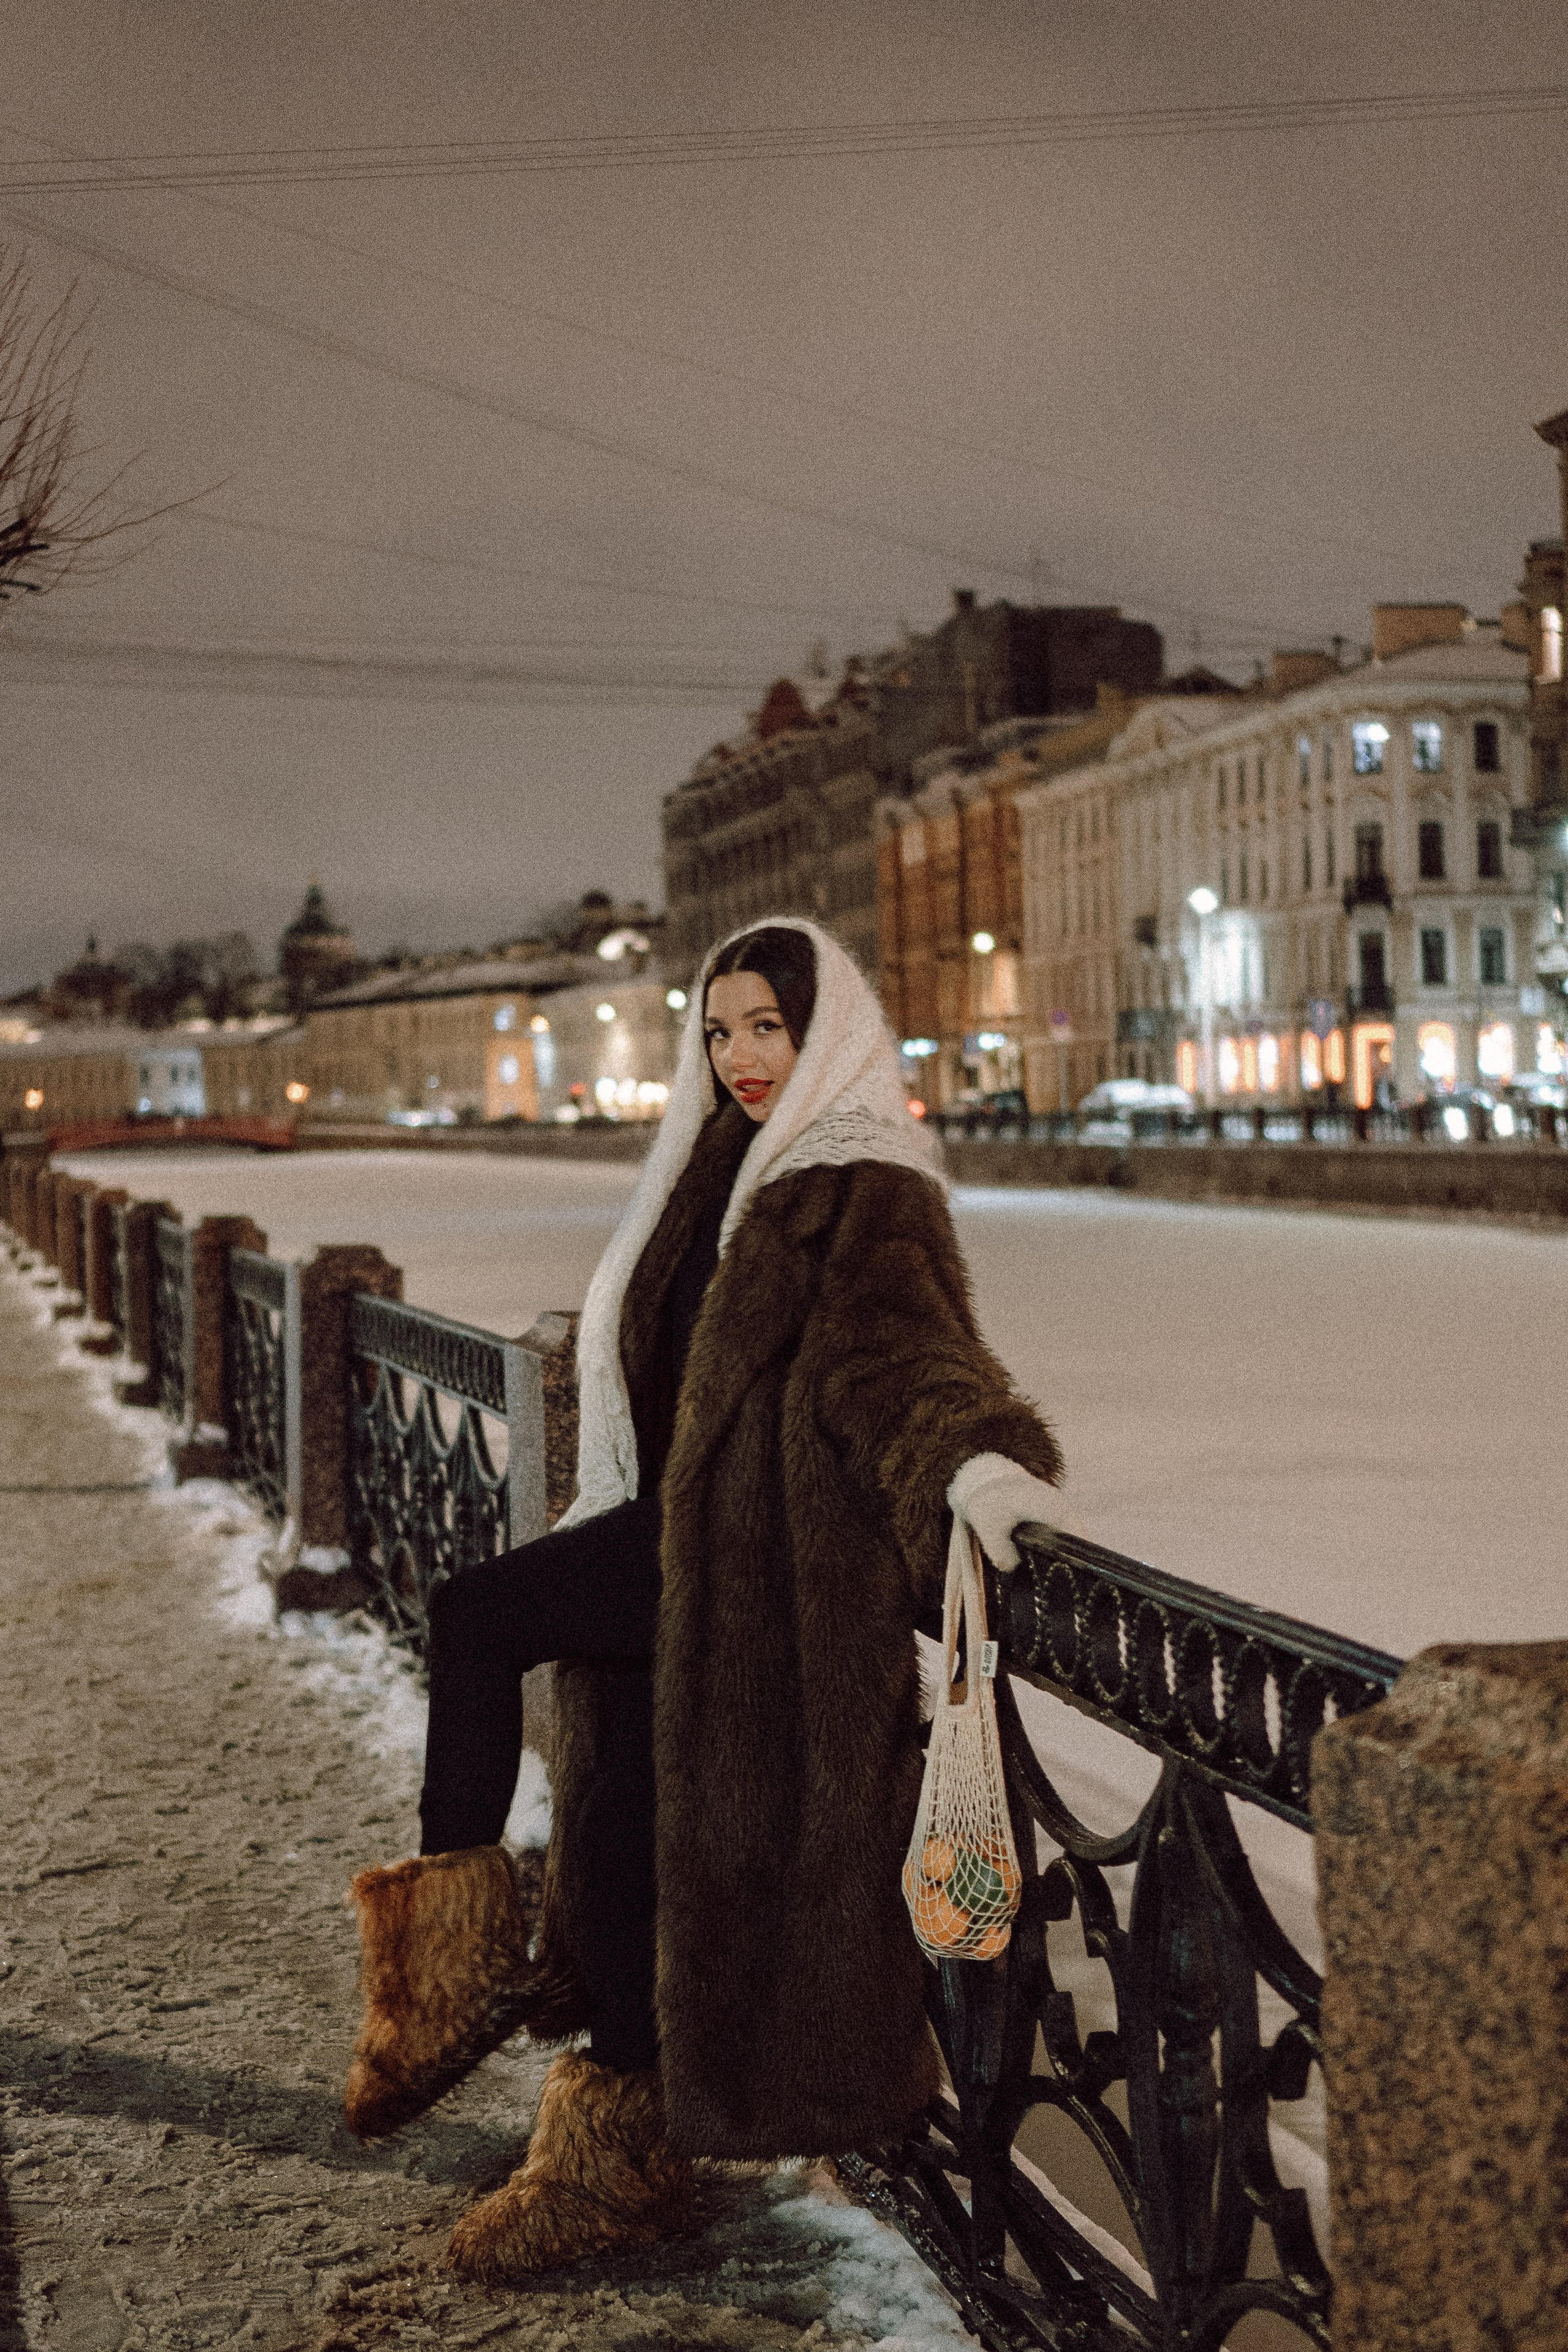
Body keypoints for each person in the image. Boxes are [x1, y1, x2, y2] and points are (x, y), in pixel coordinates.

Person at [342, 918, 1063, 2281]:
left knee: (480, 1619)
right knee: (620, 1844)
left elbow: (902, 1358)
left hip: (753, 1586)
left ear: (825, 1034)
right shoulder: (712, 1172)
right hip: (667, 1549)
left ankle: (448, 1976)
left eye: (766, 1029)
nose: (739, 1055)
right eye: (719, 1030)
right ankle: (603, 2148)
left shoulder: (858, 1187)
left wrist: (976, 1461)